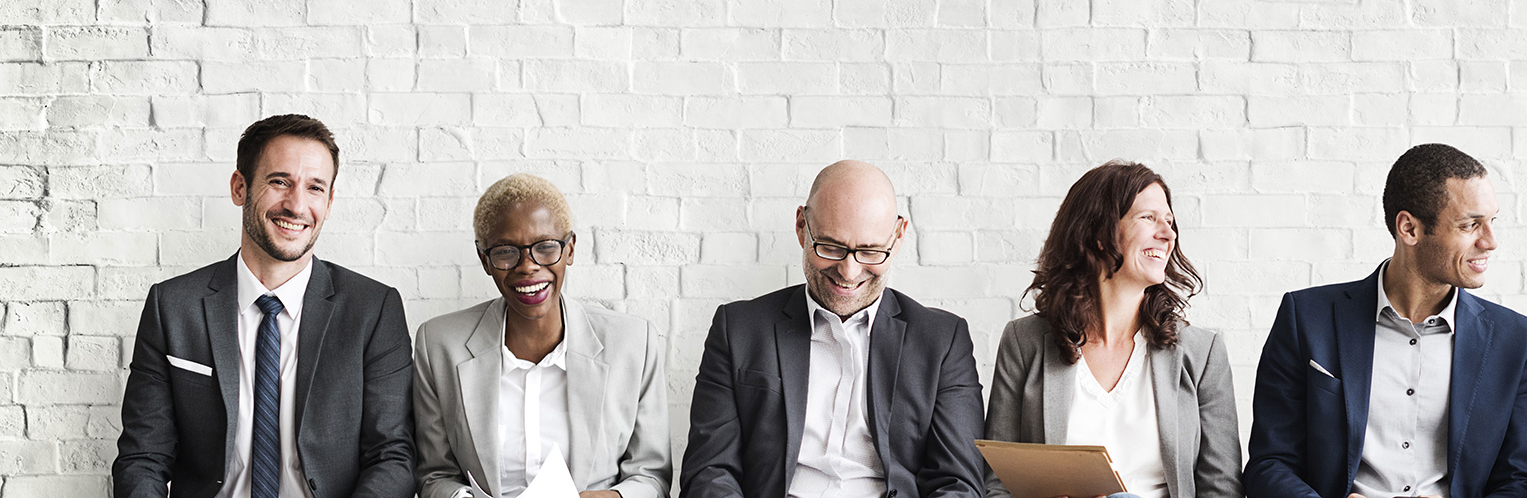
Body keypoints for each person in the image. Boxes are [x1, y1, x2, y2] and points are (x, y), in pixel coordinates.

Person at [112, 114, 415, 498]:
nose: (297, 205)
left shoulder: (373, 310)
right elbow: (143, 458)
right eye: (279, 182)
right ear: (240, 187)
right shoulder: (172, 307)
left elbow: (392, 456)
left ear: (330, 200)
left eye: (315, 188)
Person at [1245, 143, 1527, 498]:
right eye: (1470, 225)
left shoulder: (1517, 341)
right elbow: (1269, 463)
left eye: (1492, 221)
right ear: (1409, 229)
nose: (1491, 241)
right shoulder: (1306, 318)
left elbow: (1526, 483)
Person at [681, 160, 985, 498]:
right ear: (801, 227)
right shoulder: (737, 329)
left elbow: (958, 483)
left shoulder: (942, 341)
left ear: (897, 237)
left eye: (870, 251)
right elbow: (709, 472)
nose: (849, 272)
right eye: (831, 247)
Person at [984, 161, 1241, 498]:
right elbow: (997, 481)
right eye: (1148, 218)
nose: (1168, 233)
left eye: (1169, 221)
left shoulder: (1202, 352)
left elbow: (1221, 489)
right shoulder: (1024, 342)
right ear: (1099, 234)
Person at [412, 174, 672, 498]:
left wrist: (614, 497)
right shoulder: (439, 345)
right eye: (507, 252)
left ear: (570, 249)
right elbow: (434, 475)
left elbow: (651, 476)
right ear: (485, 260)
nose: (527, 267)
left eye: (546, 247)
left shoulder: (633, 342)